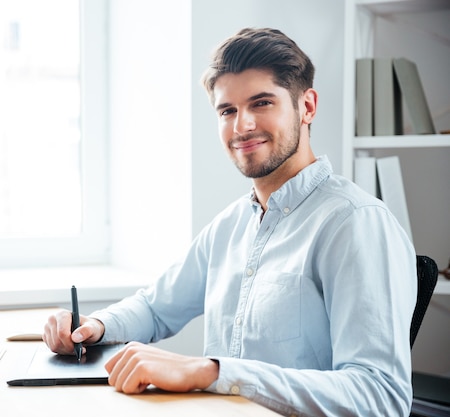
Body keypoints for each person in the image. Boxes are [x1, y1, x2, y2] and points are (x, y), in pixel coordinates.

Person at [43, 27, 417, 416]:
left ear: (307, 107)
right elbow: (155, 308)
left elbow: (381, 396)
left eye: (261, 103)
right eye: (228, 111)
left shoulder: (355, 224)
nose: (242, 126)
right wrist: (93, 327)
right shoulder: (231, 225)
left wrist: (213, 372)